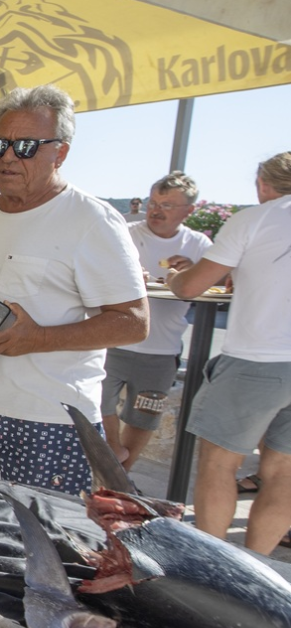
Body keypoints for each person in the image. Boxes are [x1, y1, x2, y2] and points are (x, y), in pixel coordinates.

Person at [0, 85, 148, 495]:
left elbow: (133, 323)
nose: (8, 156)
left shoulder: (92, 221)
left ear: (59, 153)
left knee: (42, 544)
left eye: (25, 146)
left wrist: (39, 338)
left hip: (50, 417)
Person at [167, 151, 291, 555]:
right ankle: (258, 567)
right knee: (284, 471)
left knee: (220, 464)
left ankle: (217, 566)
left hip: (258, 359)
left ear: (263, 185)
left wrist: (172, 275)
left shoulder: (256, 218)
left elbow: (189, 287)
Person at [100, 171, 210, 470]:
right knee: (97, 405)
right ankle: (113, 455)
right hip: (114, 340)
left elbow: (214, 285)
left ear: (189, 211)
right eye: (154, 202)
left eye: (167, 205)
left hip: (162, 350)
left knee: (145, 416)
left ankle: (122, 477)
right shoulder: (125, 232)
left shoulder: (199, 245)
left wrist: (192, 272)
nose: (156, 210)